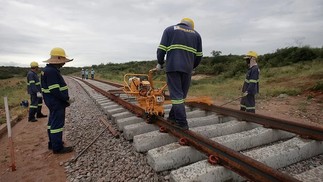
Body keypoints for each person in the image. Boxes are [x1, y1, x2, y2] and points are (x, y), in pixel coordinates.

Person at [156, 17, 203, 130]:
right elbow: (199, 56)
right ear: (190, 27)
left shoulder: (169, 30)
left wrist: (160, 63)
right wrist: (192, 66)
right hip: (187, 69)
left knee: (177, 96)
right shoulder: (196, 35)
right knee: (181, 96)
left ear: (181, 23)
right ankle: (172, 117)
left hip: (173, 67)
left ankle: (182, 123)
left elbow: (161, 50)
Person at [41, 47, 74, 154]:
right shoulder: (51, 71)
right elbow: (55, 90)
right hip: (56, 102)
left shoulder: (48, 70)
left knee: (52, 123)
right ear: (58, 59)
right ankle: (57, 147)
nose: (64, 63)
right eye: (62, 61)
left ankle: (52, 143)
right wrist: (66, 99)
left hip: (51, 102)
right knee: (57, 125)